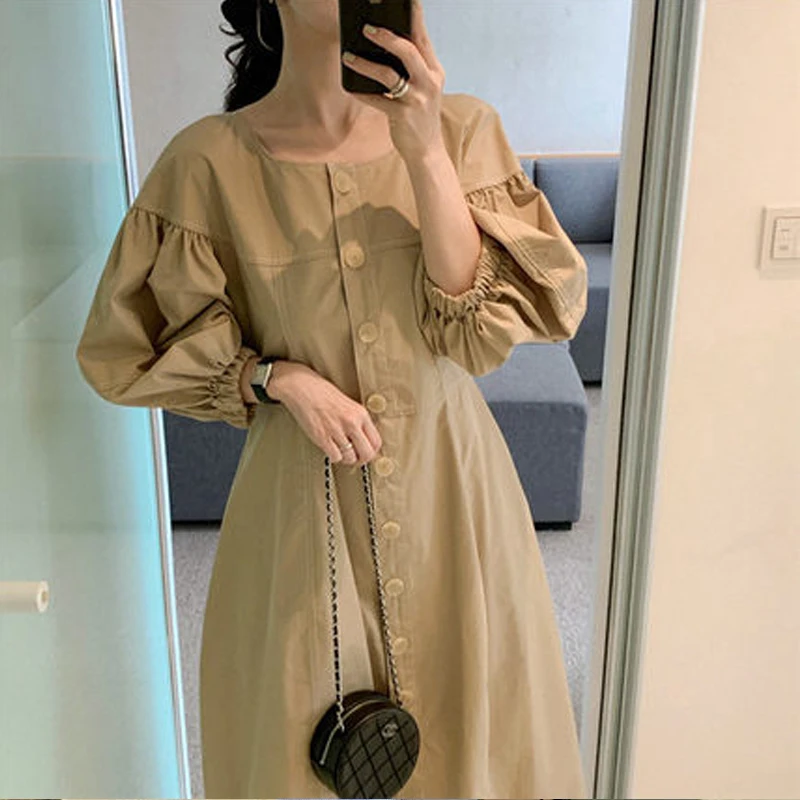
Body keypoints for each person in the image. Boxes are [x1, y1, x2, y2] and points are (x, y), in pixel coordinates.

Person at [75, 0, 589, 797]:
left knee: (475, 746)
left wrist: (424, 150)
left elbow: (474, 337)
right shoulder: (209, 162)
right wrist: (274, 376)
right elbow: (124, 349)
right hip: (298, 517)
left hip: (455, 503)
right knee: (303, 753)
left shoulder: (462, 131)